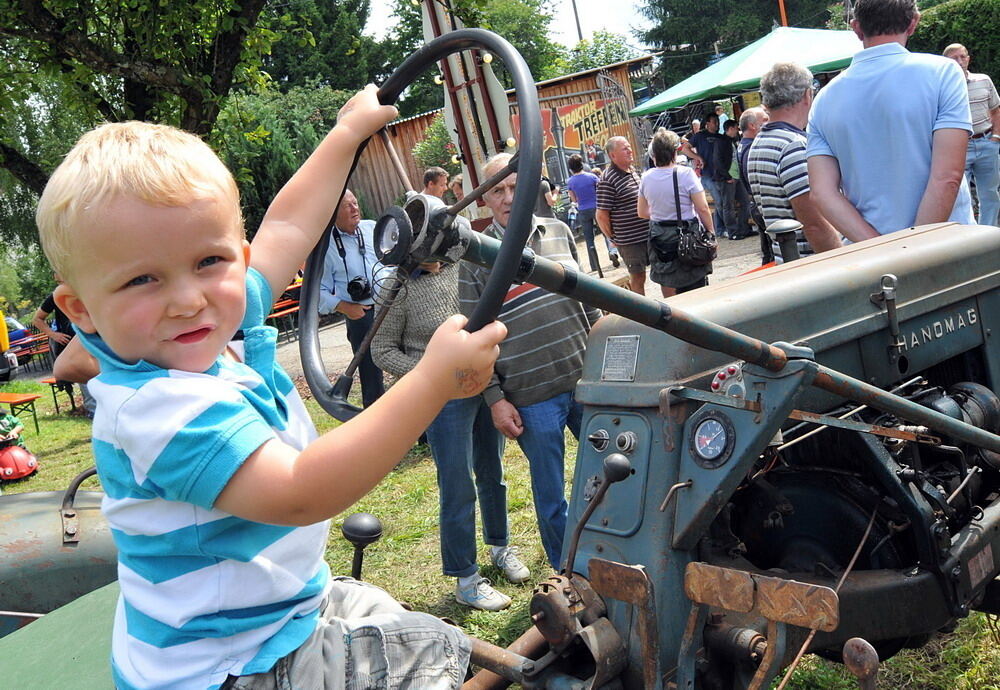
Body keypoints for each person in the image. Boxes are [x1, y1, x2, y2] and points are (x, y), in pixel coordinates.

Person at [37, 86, 506, 689]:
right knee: (436, 652)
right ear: (83, 310)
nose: (188, 298)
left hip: (275, 613)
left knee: (393, 617)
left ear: (237, 255)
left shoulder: (212, 323)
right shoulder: (155, 409)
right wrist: (432, 380)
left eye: (210, 261)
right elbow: (300, 493)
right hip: (225, 667)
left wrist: (345, 136)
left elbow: (287, 224)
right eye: (141, 280)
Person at [459, 152, 602, 570]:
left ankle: (616, 556)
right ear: (484, 201)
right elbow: (473, 340)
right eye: (497, 189)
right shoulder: (478, 258)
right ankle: (568, 573)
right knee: (552, 495)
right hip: (531, 397)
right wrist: (495, 400)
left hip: (585, 381)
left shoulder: (559, 232)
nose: (507, 197)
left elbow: (591, 304)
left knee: (616, 471)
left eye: (513, 186)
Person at [372, 261, 528, 611]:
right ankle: (466, 578)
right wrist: (433, 374)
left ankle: (500, 546)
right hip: (443, 401)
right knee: (457, 484)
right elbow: (381, 349)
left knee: (493, 472)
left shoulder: (463, 268)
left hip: (483, 386)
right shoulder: (398, 286)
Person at [807, 0, 973, 240]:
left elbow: (823, 193)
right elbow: (947, 176)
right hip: (948, 245)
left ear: (856, 28)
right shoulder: (943, 73)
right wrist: (913, 251)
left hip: (874, 260)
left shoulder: (823, 100)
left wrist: (883, 249)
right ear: (913, 23)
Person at [747, 62, 842, 263]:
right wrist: (843, 262)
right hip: (813, 266)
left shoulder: (759, 142)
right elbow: (815, 224)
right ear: (807, 95)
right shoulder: (793, 146)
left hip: (787, 259)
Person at [318, 188, 386, 408]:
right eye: (347, 205)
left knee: (405, 365)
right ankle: (378, 429)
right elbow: (318, 290)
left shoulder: (372, 228)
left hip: (391, 307)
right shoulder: (326, 245)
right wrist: (344, 307)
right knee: (370, 374)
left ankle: (420, 429)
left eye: (355, 203)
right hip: (361, 314)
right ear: (333, 212)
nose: (354, 208)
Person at [637, 128, 716, 297]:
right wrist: (711, 232)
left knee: (667, 277)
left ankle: (675, 316)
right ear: (675, 152)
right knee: (695, 275)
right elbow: (702, 208)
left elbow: (642, 212)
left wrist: (663, 214)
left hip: (660, 235)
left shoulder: (646, 177)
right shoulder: (685, 174)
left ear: (654, 153)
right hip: (688, 233)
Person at [943, 43, 1000, 227]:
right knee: (961, 197)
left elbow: (996, 110)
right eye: (954, 58)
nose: (960, 61)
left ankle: (988, 235)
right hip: (961, 149)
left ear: (969, 58)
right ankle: (969, 235)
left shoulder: (983, 80)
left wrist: (996, 138)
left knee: (990, 194)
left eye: (963, 56)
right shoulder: (943, 87)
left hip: (986, 142)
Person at [596, 136, 650, 294]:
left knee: (662, 272)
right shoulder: (607, 179)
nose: (630, 151)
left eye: (629, 147)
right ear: (613, 155)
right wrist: (614, 238)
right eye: (624, 149)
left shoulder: (633, 171)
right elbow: (601, 215)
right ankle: (642, 315)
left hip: (648, 234)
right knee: (638, 277)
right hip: (630, 240)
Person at [32, 286, 97, 416]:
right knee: (87, 384)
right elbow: (37, 319)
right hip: (74, 347)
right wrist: (54, 334)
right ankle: (94, 415)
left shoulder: (89, 286)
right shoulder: (56, 296)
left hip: (97, 342)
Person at [567, 153, 619, 271]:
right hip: (597, 207)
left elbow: (574, 199)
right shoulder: (592, 177)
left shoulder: (570, 182)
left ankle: (594, 265)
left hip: (583, 210)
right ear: (582, 164)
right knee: (606, 232)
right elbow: (602, 190)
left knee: (589, 238)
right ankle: (613, 252)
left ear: (571, 168)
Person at [737, 107, 773, 262]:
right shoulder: (752, 147)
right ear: (752, 126)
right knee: (773, 251)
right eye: (764, 120)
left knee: (768, 250)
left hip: (755, 203)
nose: (768, 122)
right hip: (761, 203)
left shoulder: (744, 145)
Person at [688, 112, 729, 237]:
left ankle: (720, 228)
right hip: (707, 175)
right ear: (707, 123)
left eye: (717, 121)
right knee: (719, 201)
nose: (716, 124)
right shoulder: (699, 136)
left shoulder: (721, 136)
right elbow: (684, 148)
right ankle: (723, 228)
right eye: (714, 121)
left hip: (720, 174)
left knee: (720, 203)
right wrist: (698, 157)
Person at [712, 119, 753, 240]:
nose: (737, 130)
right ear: (730, 129)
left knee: (745, 202)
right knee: (728, 205)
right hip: (726, 178)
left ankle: (744, 228)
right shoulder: (720, 141)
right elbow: (717, 161)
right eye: (735, 128)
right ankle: (733, 231)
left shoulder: (734, 140)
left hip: (736, 176)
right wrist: (726, 176)